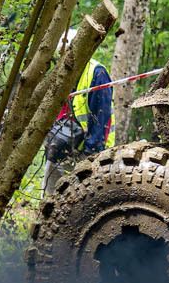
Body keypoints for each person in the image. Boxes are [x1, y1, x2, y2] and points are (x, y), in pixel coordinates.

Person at [43, 38, 115, 193]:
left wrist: (91, 155)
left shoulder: (97, 73)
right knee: (52, 195)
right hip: (61, 147)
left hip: (89, 150)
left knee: (83, 196)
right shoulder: (62, 73)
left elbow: (102, 118)